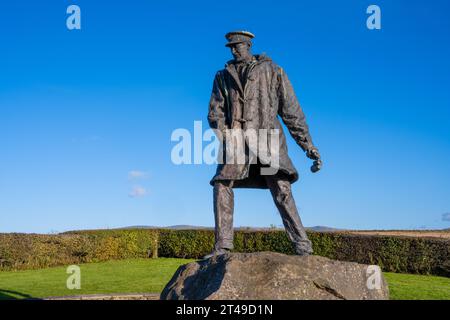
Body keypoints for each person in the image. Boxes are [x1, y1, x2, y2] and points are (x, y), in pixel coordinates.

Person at [205, 31, 322, 259]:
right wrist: (227, 135)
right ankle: (223, 245)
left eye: (237, 45)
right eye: (230, 46)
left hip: (267, 143)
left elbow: (291, 112)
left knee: (281, 189)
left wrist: (308, 145)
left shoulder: (273, 71)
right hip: (237, 144)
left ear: (248, 45)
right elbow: (215, 112)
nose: (233, 50)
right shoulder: (222, 76)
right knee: (222, 184)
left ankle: (302, 244)